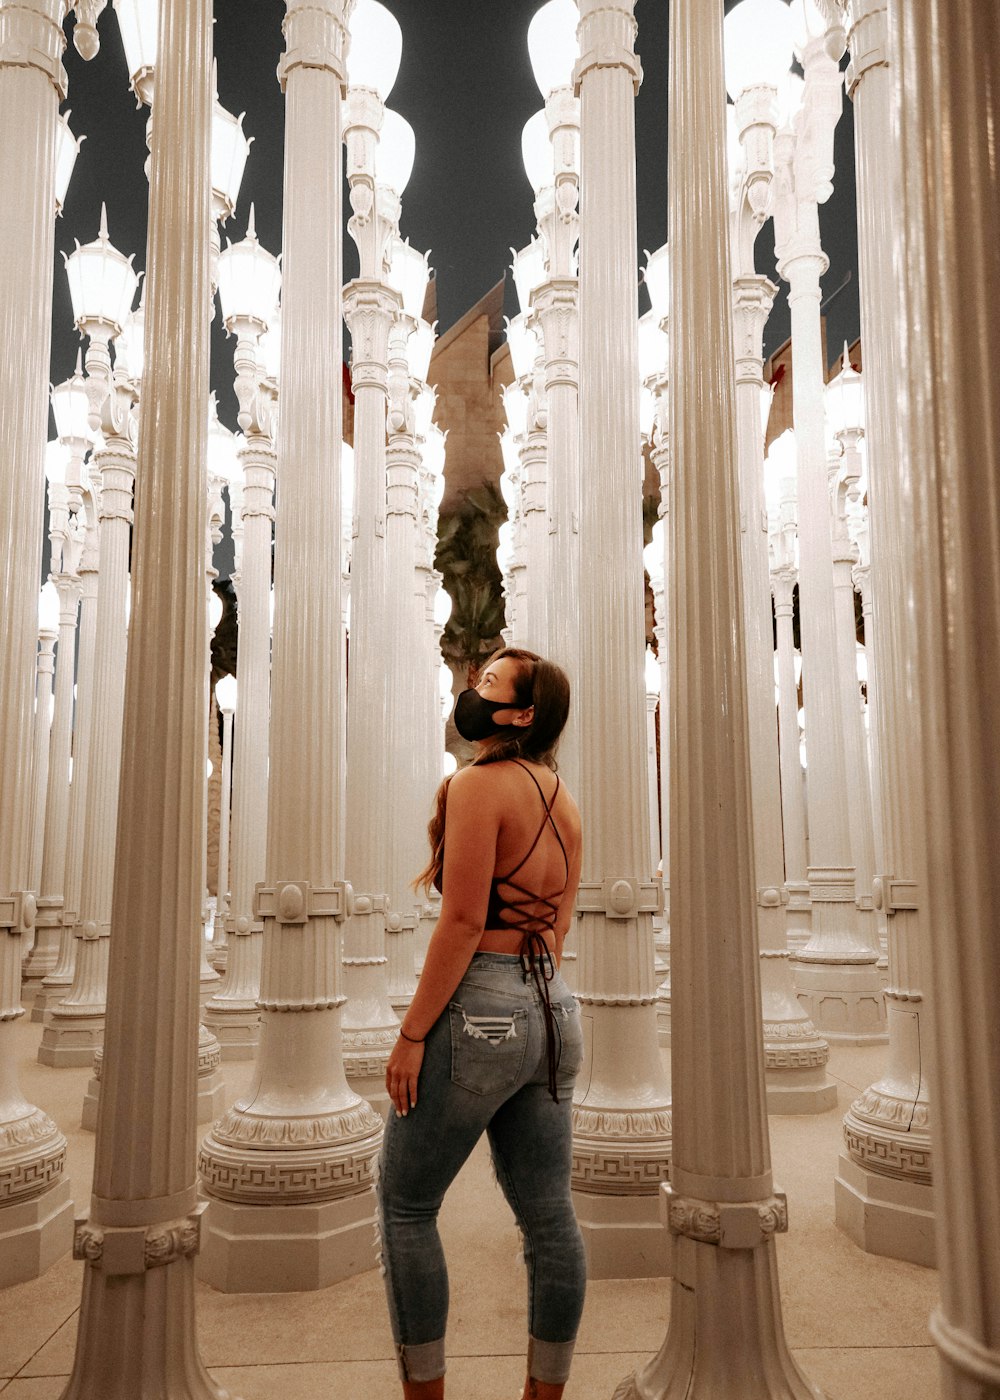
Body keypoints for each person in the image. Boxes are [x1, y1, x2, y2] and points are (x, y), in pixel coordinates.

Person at [378, 646, 586, 1400]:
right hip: (554, 1007)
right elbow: (558, 930)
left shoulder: (476, 786)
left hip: (482, 1006)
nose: (473, 688)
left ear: (523, 714)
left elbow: (463, 921)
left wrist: (412, 1035)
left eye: (490, 683)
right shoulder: (562, 799)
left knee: (406, 1205)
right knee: (549, 1217)